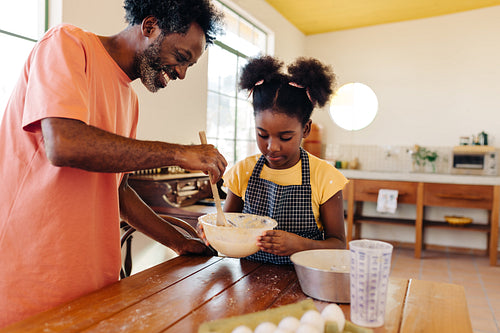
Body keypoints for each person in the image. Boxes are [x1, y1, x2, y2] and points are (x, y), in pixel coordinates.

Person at [0, 0, 227, 327]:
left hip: (93, 282)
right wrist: (179, 153)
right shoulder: (67, 44)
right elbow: (64, 144)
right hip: (32, 278)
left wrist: (177, 240)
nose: (181, 73)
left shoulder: (130, 101)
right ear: (150, 27)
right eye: (181, 58)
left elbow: (116, 188)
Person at [222, 55, 348, 264]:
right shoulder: (243, 171)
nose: (272, 147)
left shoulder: (325, 177)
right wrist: (212, 232)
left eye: (285, 137)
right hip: (248, 282)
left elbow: (338, 244)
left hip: (303, 283)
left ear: (305, 129)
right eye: (262, 135)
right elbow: (226, 229)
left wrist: (301, 245)